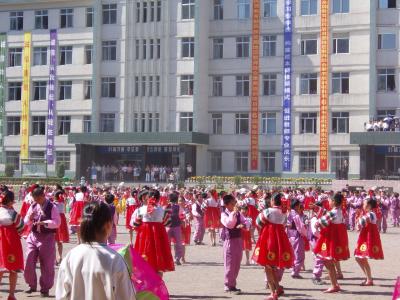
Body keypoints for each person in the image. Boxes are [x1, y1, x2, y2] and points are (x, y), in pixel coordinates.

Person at [56, 201, 135, 299]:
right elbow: (126, 296)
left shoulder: (71, 256)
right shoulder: (115, 259)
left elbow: (61, 295)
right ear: (108, 225)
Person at [252, 193, 294, 300]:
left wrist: (266, 227)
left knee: (268, 267)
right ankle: (278, 288)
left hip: (268, 238)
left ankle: (272, 292)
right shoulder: (283, 212)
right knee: (273, 266)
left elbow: (258, 222)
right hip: (280, 239)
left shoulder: (268, 211)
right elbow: (284, 225)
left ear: (273, 201)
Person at [24, 186, 61, 297]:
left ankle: (45, 288)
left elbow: (57, 222)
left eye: (38, 198)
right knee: (29, 260)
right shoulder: (33, 205)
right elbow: (26, 221)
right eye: (34, 199)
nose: (36, 201)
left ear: (43, 196)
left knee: (47, 264)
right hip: (33, 236)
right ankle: (32, 284)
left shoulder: (52, 207)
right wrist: (29, 218)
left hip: (47, 237)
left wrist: (45, 223)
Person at [131, 190, 174, 276]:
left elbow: (135, 224)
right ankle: (158, 284)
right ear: (158, 199)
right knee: (159, 261)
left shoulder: (140, 210)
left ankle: (147, 283)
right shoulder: (162, 210)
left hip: (144, 236)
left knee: (144, 258)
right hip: (159, 236)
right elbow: (168, 223)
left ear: (147, 198)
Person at [314, 192, 350, 293]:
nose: (328, 202)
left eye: (329, 200)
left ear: (333, 202)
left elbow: (319, 222)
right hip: (337, 239)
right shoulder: (340, 211)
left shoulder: (332, 212)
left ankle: (334, 285)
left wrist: (315, 221)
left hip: (330, 239)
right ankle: (335, 283)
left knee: (327, 262)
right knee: (331, 261)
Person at [220, 194, 250, 295]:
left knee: (237, 264)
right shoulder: (224, 214)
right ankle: (228, 285)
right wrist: (233, 213)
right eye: (232, 203)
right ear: (226, 205)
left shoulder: (237, 213)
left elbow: (247, 221)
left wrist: (244, 225)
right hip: (229, 241)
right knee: (229, 264)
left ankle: (232, 284)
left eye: (235, 203)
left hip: (238, 240)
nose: (234, 205)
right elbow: (230, 224)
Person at [0, 190, 24, 300]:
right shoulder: (13, 214)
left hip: (1, 242)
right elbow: (21, 227)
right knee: (13, 269)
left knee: (1, 268)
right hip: (11, 242)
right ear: (11, 201)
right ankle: (11, 294)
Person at [354, 198, 384, 286]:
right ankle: (368, 278)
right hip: (365, 237)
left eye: (364, 203)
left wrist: (358, 216)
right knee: (359, 257)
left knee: (361, 258)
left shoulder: (371, 214)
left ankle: (369, 279)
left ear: (369, 205)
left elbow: (360, 222)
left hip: (368, 239)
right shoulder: (369, 214)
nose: (363, 205)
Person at [287, 199, 307, 279]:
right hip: (296, 235)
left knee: (293, 253)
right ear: (296, 206)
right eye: (299, 205)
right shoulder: (296, 214)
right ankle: (295, 271)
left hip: (289, 235)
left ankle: (293, 269)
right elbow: (300, 227)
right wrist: (305, 233)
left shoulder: (289, 213)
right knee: (299, 254)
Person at [165, 192, 184, 265]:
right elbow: (182, 214)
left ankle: (168, 258)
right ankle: (177, 258)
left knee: (167, 244)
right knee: (178, 243)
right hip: (176, 227)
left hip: (168, 227)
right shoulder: (179, 207)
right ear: (176, 200)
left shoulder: (165, 206)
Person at [54, 190, 70, 265]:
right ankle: (60, 256)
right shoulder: (63, 203)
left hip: (55, 220)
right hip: (62, 221)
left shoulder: (53, 204)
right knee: (59, 241)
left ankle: (54, 258)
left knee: (53, 241)